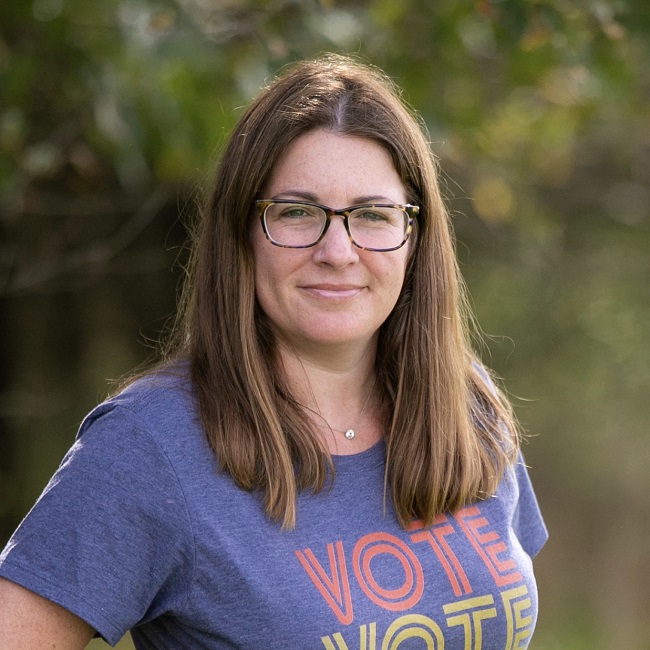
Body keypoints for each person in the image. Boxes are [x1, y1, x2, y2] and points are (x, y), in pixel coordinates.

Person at [0, 54, 547, 649]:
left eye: (372, 215)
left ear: (416, 237)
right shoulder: (150, 444)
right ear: (241, 233)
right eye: (296, 212)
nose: (338, 251)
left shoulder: (464, 404)